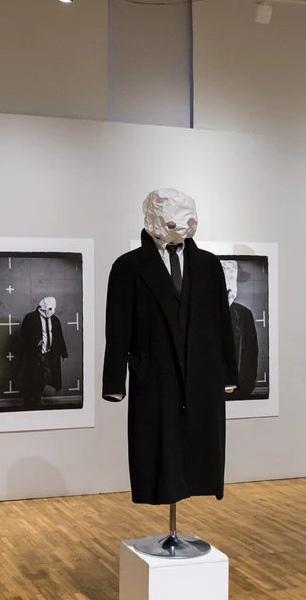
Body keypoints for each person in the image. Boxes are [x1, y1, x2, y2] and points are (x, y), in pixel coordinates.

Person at [102, 188, 239, 506]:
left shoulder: (209, 265)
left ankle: (195, 484)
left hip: (202, 374)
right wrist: (114, 383)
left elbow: (222, 323)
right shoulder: (127, 267)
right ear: (154, 220)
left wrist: (228, 374)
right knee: (158, 450)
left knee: (200, 448)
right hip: (155, 374)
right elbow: (117, 328)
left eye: (189, 221)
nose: (184, 228)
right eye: (175, 222)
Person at [15, 296, 68, 408]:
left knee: (47, 375)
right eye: (49, 309)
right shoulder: (31, 318)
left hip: (49, 353)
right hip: (34, 354)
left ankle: (35, 396)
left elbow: (59, 337)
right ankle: (31, 399)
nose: (51, 312)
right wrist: (34, 341)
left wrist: (63, 353)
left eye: (53, 309)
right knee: (32, 376)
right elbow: (24, 332)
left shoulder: (54, 320)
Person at [221, 259, 259, 398]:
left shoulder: (243, 315)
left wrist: (243, 390)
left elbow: (251, 355)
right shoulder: (197, 314)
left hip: (238, 395)